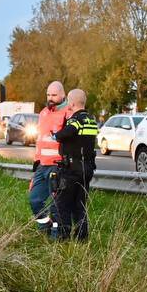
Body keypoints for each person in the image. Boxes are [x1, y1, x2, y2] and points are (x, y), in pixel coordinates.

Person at [52, 89, 98, 241]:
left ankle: (63, 237)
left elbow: (62, 135)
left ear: (71, 103)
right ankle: (82, 238)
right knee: (80, 205)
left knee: (63, 204)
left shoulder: (75, 121)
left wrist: (54, 135)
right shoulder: (92, 120)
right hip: (87, 169)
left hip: (71, 170)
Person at [29, 81, 70, 236]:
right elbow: (40, 141)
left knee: (56, 205)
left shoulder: (68, 112)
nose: (50, 98)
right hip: (42, 166)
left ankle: (57, 237)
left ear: (62, 95)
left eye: (54, 95)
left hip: (58, 166)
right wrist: (36, 167)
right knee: (34, 200)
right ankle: (46, 225)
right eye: (48, 95)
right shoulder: (43, 113)